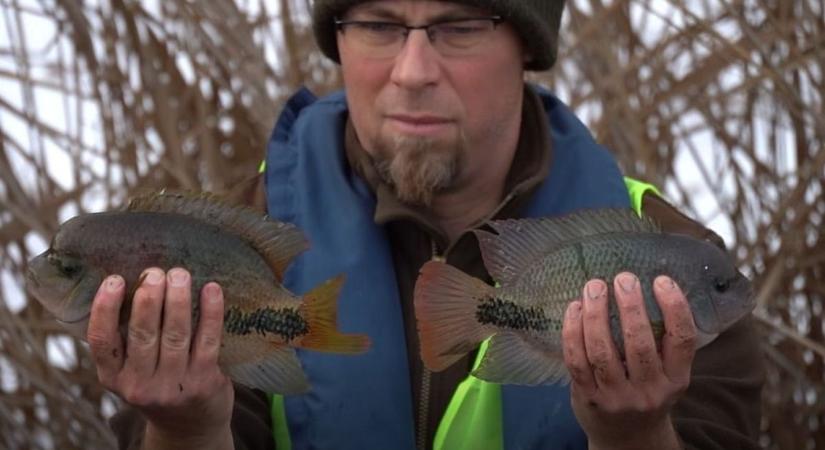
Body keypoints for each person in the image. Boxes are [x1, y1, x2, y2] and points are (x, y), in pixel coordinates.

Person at [91, 1, 764, 449]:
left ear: (525, 47)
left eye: (458, 26)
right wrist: (184, 428)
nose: (412, 73)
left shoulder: (679, 265)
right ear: (339, 42)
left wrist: (635, 436)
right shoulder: (230, 248)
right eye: (379, 25)